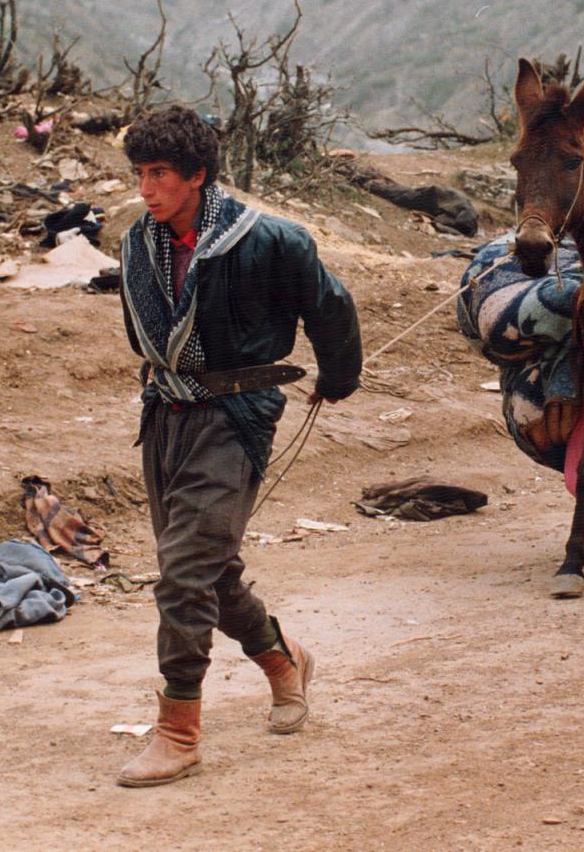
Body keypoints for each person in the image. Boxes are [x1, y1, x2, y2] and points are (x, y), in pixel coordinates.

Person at [115, 105, 363, 786]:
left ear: (197, 174)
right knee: (205, 568)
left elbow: (330, 306)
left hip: (236, 415)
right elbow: (145, 340)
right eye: (139, 173)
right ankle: (283, 660)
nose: (146, 188)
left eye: (159, 173)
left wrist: (338, 379)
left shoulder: (271, 241)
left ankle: (178, 729)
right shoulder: (138, 245)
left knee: (186, 573)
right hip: (165, 413)